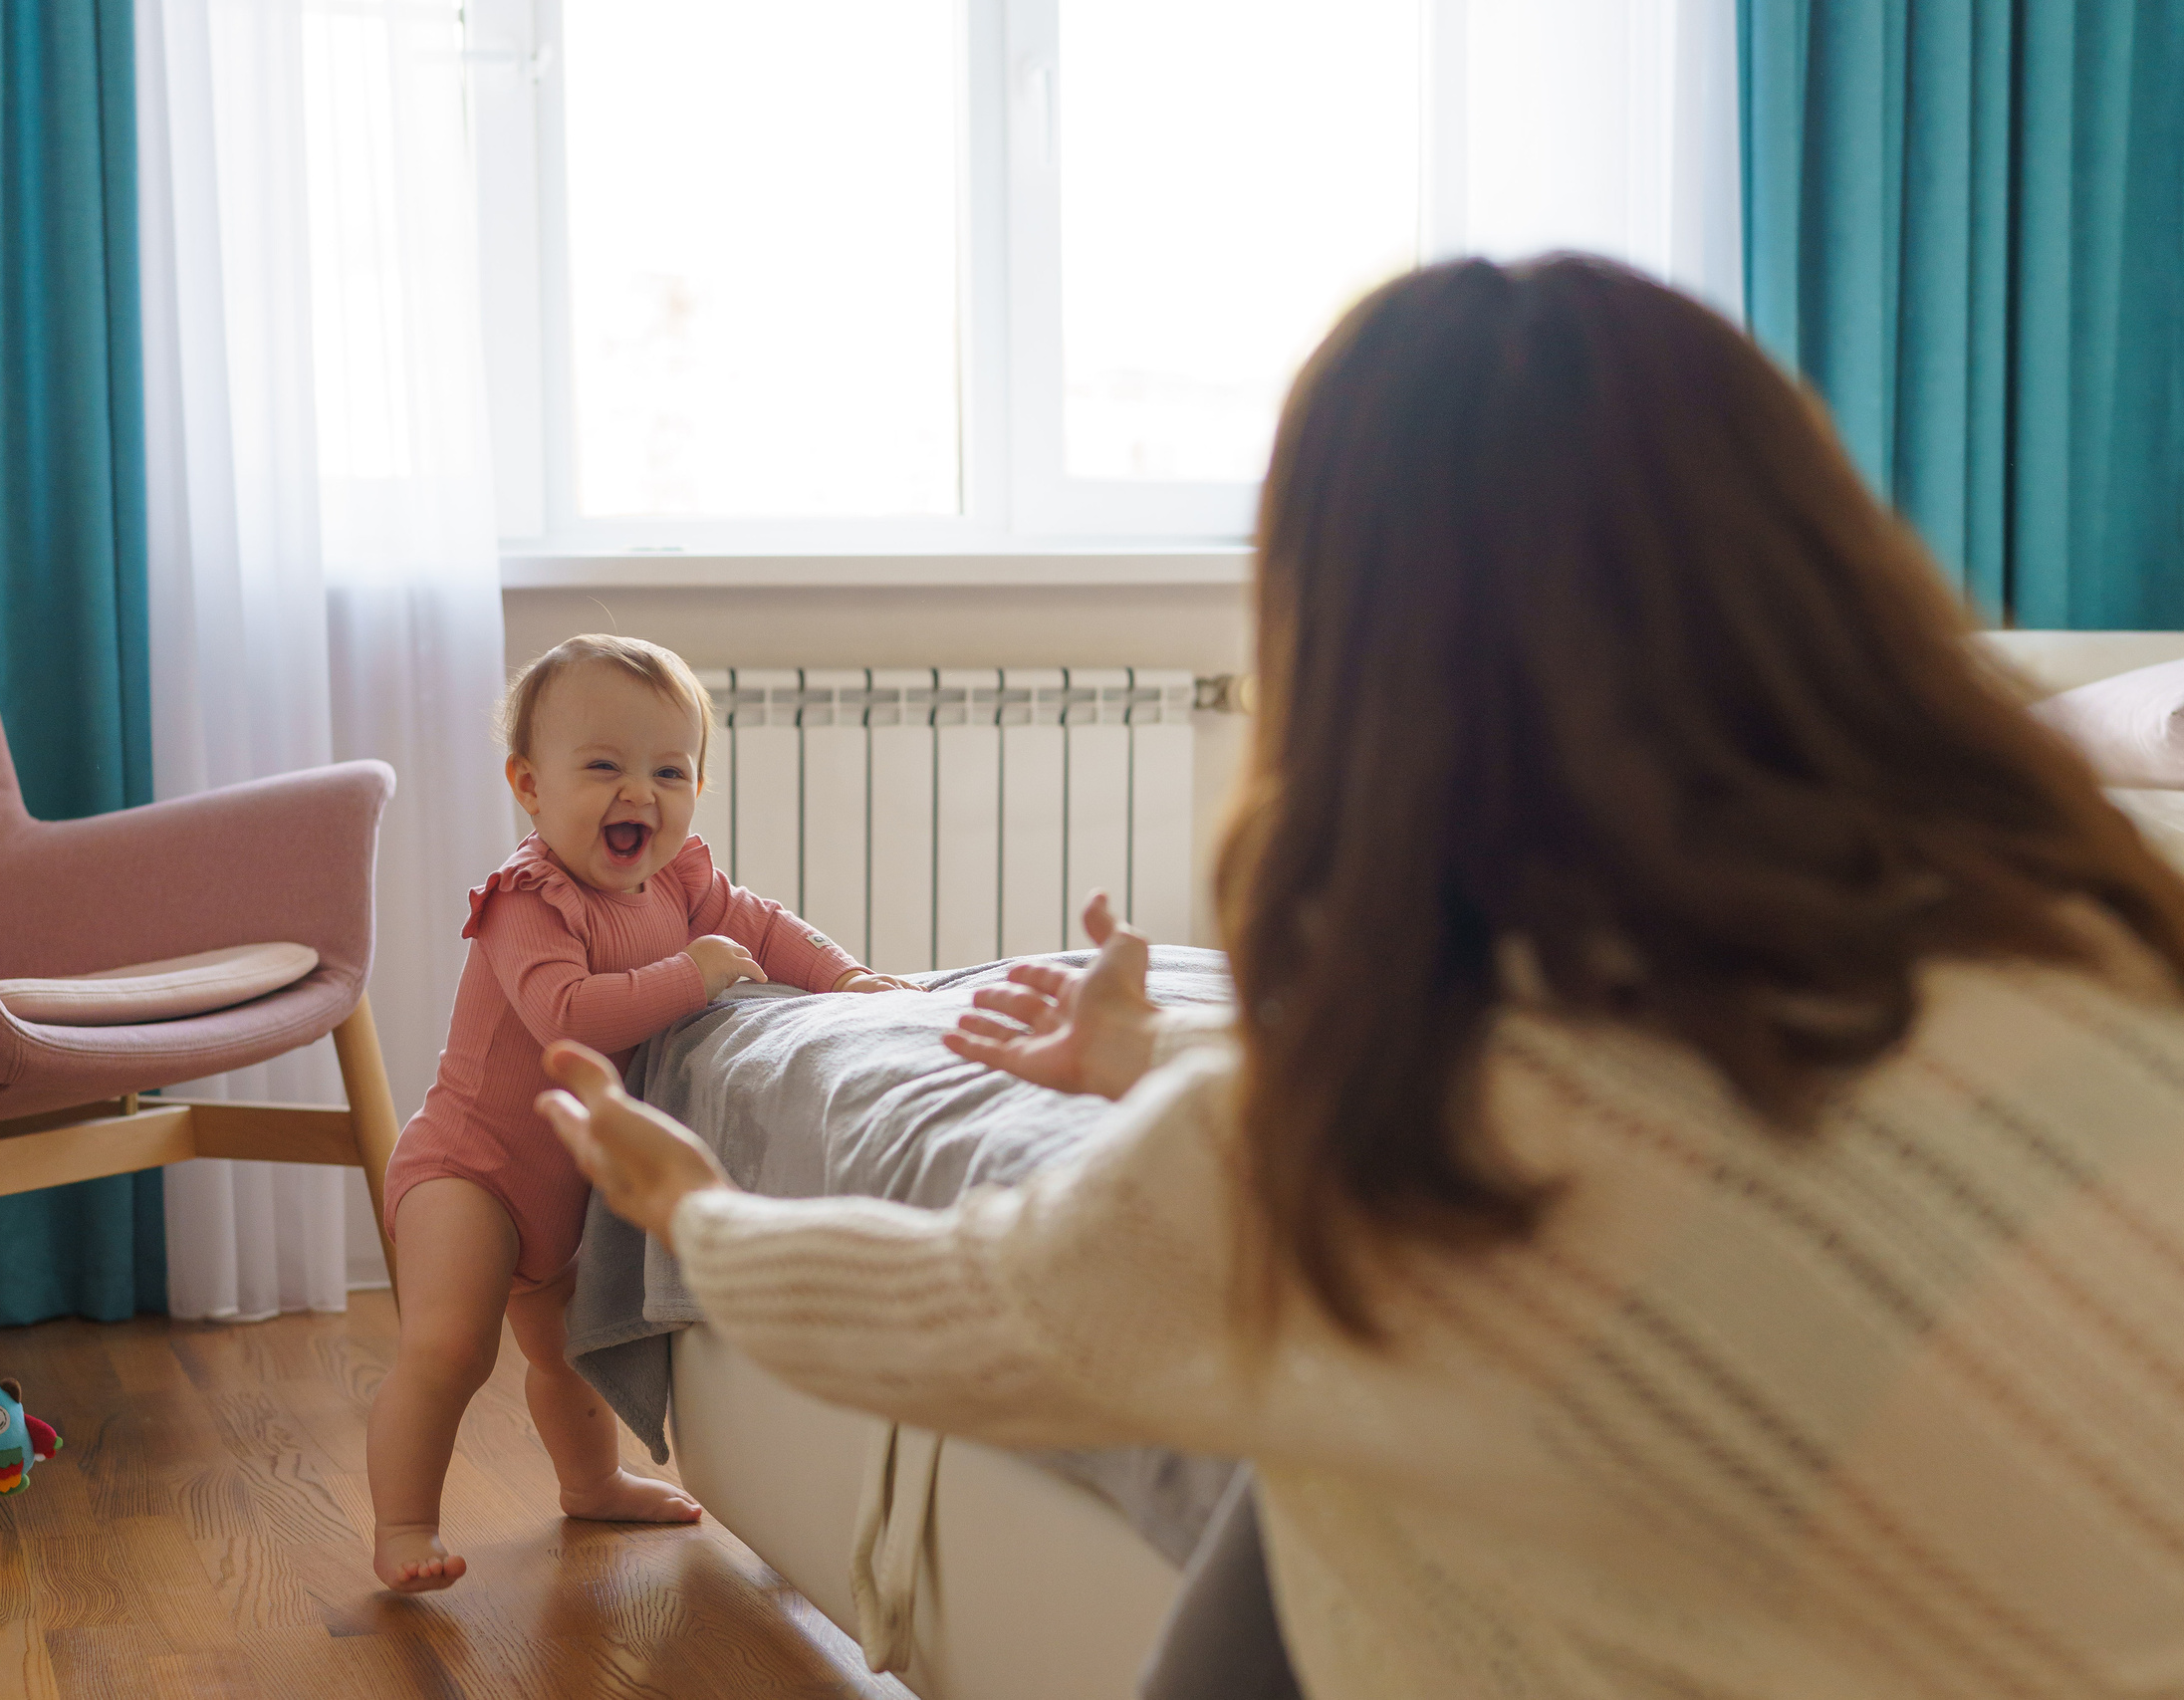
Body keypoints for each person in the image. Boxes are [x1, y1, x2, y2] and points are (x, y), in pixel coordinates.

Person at [533, 258, 2184, 1697]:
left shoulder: (1350, 1155)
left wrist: (698, 1211)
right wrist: (1168, 1051)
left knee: (1337, 1463)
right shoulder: (2108, 949)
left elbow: (969, 1309)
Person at [366, 634, 918, 1592]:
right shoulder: (524, 900)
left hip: (565, 1185)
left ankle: (591, 1483)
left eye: (670, 770)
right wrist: (692, 972)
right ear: (529, 785)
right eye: (604, 767)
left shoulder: (679, 882)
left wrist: (848, 977)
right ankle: (403, 1519)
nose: (640, 794)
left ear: (699, 786)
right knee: (450, 1348)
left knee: (569, 1354)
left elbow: (763, 925)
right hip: (470, 1168)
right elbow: (566, 1018)